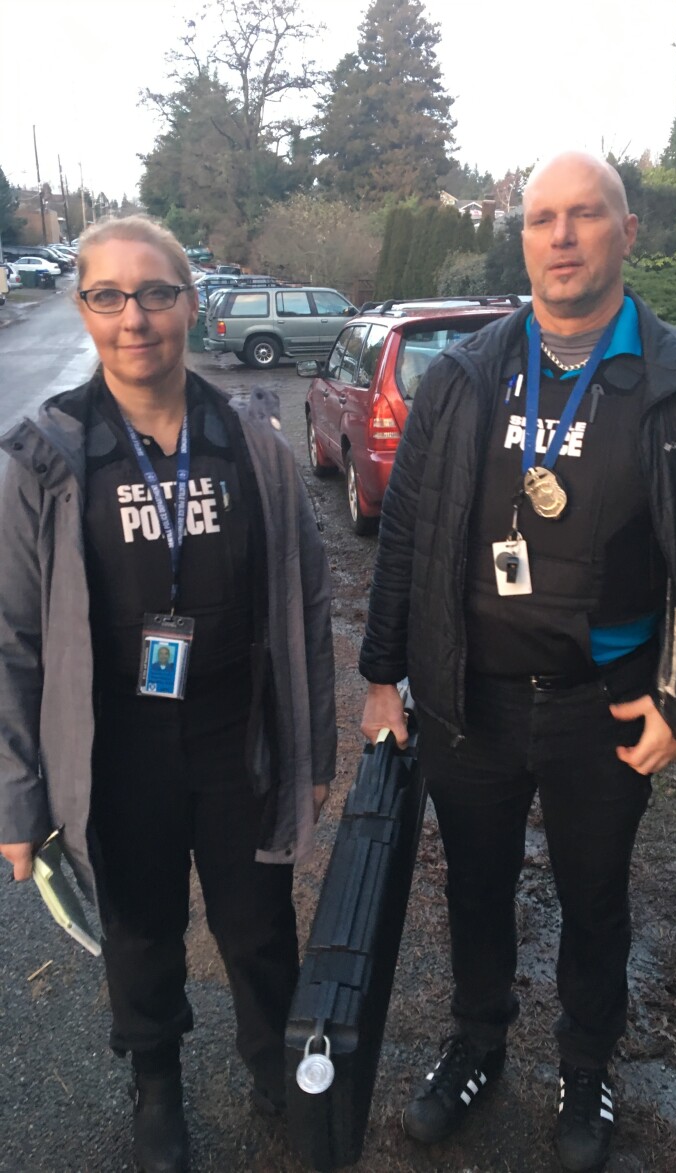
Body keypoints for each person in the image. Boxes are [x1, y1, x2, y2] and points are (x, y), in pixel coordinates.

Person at [359, 152, 676, 1172]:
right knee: (475, 887)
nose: (559, 235)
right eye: (540, 216)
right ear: (523, 237)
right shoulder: (464, 377)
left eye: (583, 214)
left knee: (595, 897)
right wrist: (381, 676)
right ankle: (476, 1043)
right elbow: (408, 530)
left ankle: (585, 1063)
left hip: (609, 708)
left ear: (626, 232)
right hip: (474, 699)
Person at [0, 216, 336, 1173]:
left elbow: (306, 602)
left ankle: (274, 1065)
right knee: (140, 938)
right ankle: (157, 1090)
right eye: (108, 295)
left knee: (260, 927)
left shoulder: (251, 440)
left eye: (155, 292)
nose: (133, 316)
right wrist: (19, 800)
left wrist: (311, 747)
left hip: (237, 746)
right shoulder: (49, 456)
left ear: (192, 303)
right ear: (84, 308)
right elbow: (12, 643)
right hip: (118, 758)